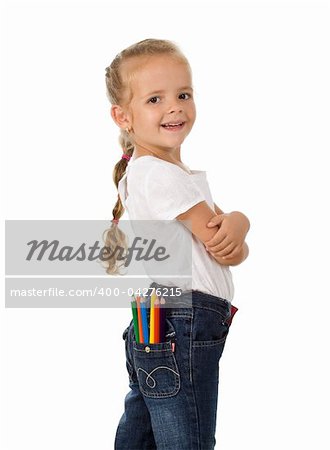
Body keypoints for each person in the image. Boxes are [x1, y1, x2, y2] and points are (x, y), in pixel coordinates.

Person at [104, 38, 250, 450]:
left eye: (183, 94)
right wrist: (237, 224)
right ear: (123, 116)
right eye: (155, 98)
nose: (175, 106)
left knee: (146, 430)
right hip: (185, 320)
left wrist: (240, 223)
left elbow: (232, 249)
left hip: (165, 317)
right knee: (188, 436)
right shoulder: (159, 174)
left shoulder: (170, 173)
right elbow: (220, 240)